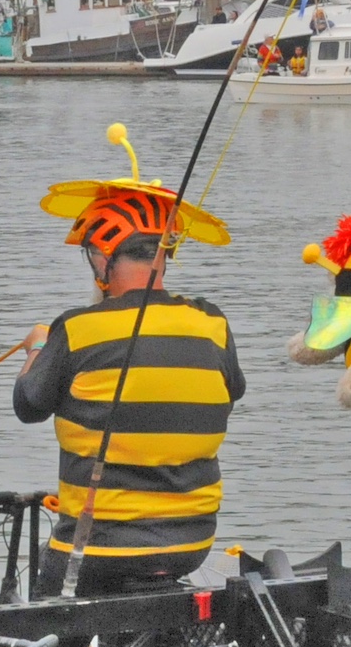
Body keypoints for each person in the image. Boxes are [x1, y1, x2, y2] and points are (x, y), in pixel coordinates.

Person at [17, 123, 244, 601]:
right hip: (193, 541)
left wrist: (37, 347)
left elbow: (29, 404)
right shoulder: (213, 323)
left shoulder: (76, 328)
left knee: (45, 621)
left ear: (102, 257)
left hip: (98, 545)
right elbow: (233, 390)